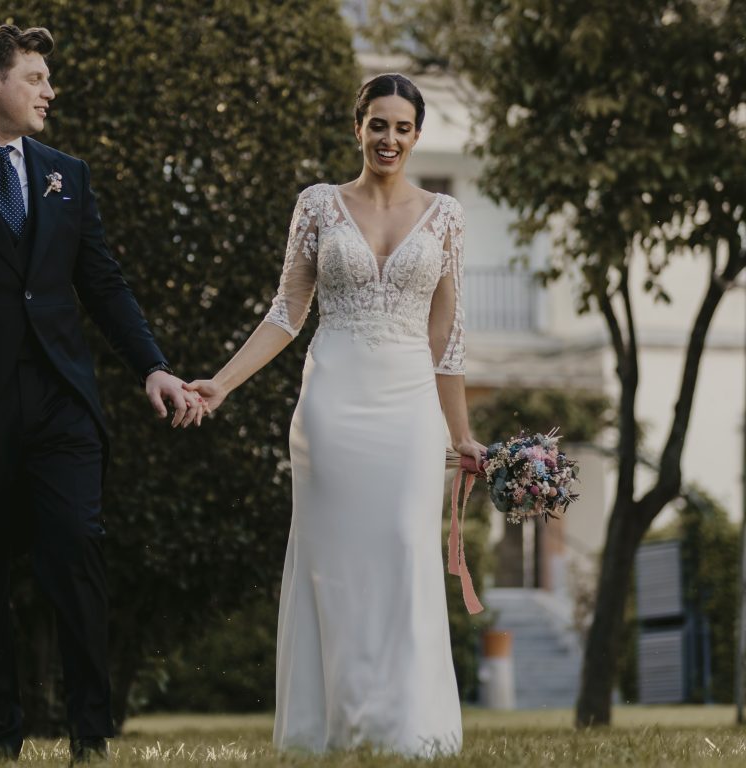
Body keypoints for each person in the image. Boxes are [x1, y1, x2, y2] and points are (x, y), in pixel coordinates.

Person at [0, 24, 203, 764]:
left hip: (60, 400)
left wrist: (152, 366)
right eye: (36, 78)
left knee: (77, 547)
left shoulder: (65, 174)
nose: (50, 91)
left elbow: (102, 282)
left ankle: (91, 735)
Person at [186, 73, 484, 757]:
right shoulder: (318, 204)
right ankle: (333, 727)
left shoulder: (446, 216)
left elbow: (447, 335)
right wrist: (222, 385)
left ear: (417, 135)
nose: (389, 139)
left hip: (409, 408)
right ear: (358, 128)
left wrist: (461, 433)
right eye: (378, 125)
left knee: (405, 548)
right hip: (332, 405)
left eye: (402, 128)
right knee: (335, 563)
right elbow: (286, 313)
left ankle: (408, 731)